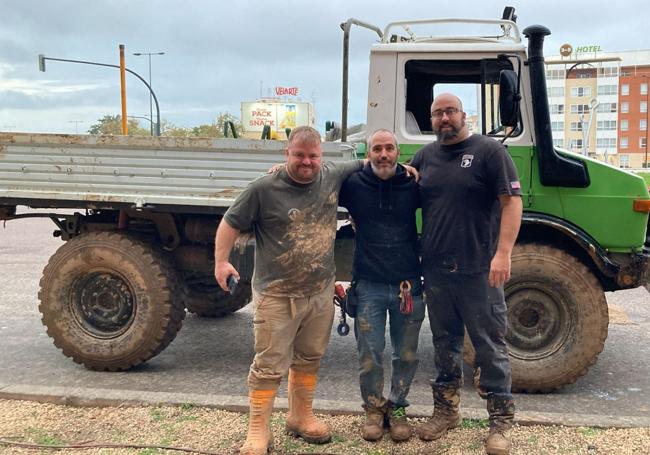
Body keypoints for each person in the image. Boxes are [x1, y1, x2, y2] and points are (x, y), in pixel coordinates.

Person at [214, 126, 363, 455]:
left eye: (313, 156)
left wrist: (405, 167)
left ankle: (300, 417)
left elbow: (369, 163)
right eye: (299, 155)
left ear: (322, 157)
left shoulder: (332, 174)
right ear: (286, 154)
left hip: (320, 291)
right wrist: (221, 262)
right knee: (269, 365)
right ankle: (258, 431)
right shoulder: (264, 188)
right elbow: (230, 223)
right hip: (276, 294)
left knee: (309, 358)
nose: (306, 162)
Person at [411, 93, 523, 455]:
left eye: (450, 111)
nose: (444, 118)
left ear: (463, 115)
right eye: (438, 113)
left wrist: (503, 254)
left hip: (480, 270)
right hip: (438, 270)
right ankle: (446, 412)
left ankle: (500, 424)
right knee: (445, 345)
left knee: (490, 348)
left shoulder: (490, 152)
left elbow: (512, 203)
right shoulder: (425, 157)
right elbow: (393, 184)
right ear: (432, 119)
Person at [339, 129, 424, 442]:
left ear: (398, 153)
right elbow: (315, 184)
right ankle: (374, 409)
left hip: (408, 286)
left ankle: (398, 408)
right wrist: (282, 171)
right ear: (368, 153)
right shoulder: (352, 185)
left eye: (389, 148)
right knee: (370, 355)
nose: (384, 154)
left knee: (407, 355)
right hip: (369, 286)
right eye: (377, 148)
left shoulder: (414, 184)